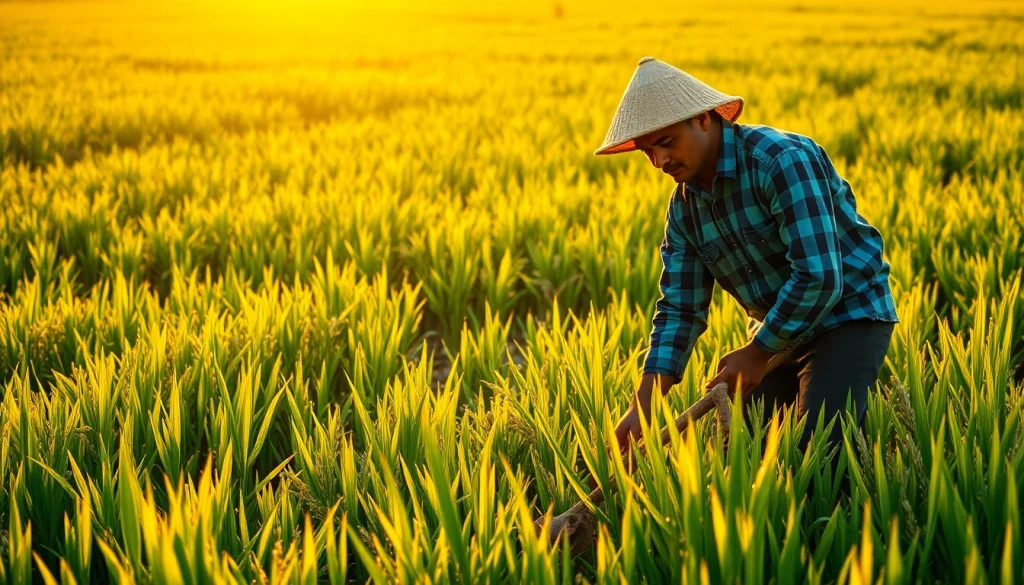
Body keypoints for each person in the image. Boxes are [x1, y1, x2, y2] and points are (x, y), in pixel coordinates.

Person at [597, 57, 899, 458]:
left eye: (666, 143)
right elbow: (680, 309)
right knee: (746, 447)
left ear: (703, 119)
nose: (659, 162)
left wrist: (757, 353)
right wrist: (645, 406)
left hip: (848, 314)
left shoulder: (781, 161)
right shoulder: (685, 209)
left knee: (819, 450)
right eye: (647, 151)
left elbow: (820, 276)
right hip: (781, 333)